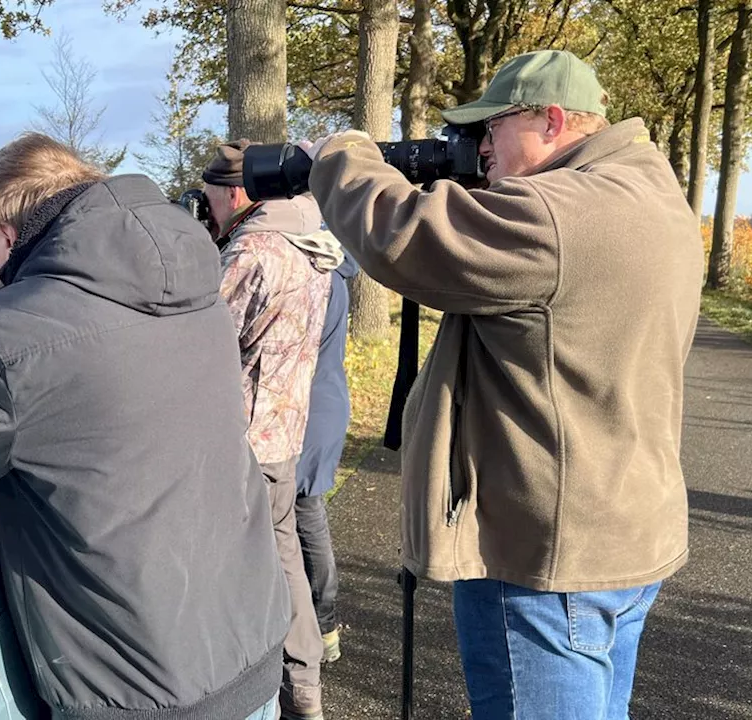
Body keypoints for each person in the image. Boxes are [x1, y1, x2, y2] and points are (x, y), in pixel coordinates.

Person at [0, 132, 291, 720]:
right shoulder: (192, 280)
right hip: (246, 653)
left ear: (8, 234)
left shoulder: (20, 336)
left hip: (142, 690)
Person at [302, 50, 704, 719]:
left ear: (551, 119)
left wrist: (343, 153)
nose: (480, 145)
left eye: (494, 127)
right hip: (626, 531)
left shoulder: (558, 214)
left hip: (545, 555)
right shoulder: (650, 191)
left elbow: (405, 235)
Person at [203, 140, 344, 720]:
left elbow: (205, 340)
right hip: (286, 428)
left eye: (211, 201)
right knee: (285, 558)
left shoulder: (255, 247)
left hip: (246, 438)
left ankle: (285, 694)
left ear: (236, 193)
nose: (208, 211)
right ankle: (303, 686)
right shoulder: (312, 240)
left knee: (264, 569)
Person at [294, 251, 358, 665]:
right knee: (305, 513)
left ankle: (322, 625)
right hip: (325, 399)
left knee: (305, 513)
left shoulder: (312, 270)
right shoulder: (332, 263)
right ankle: (321, 625)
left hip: (307, 407)